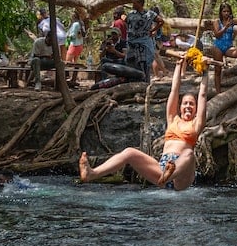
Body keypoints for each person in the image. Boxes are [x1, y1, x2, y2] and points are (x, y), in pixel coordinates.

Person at [78, 57, 208, 191]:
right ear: (180, 107)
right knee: (129, 152)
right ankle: (92, 173)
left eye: (191, 104)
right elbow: (174, 90)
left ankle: (169, 175)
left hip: (182, 175)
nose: (188, 106)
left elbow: (203, 95)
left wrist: (205, 71)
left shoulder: (196, 123)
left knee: (189, 154)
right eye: (185, 103)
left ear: (196, 108)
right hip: (163, 167)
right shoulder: (172, 118)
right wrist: (178, 65)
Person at [208, 3, 237, 88]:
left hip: (228, 47)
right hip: (218, 46)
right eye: (224, 11)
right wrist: (225, 27)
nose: (226, 13)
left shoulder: (232, 21)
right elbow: (217, 35)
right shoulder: (217, 22)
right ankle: (218, 92)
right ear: (221, 12)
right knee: (218, 70)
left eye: (228, 11)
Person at [123, 0, 162, 81]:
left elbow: (161, 21)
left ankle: (145, 80)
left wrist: (153, 30)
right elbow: (127, 23)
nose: (133, 5)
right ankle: (132, 80)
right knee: (131, 61)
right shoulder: (131, 14)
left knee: (144, 62)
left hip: (143, 42)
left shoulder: (149, 14)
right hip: (131, 42)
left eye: (135, 3)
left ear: (141, 4)